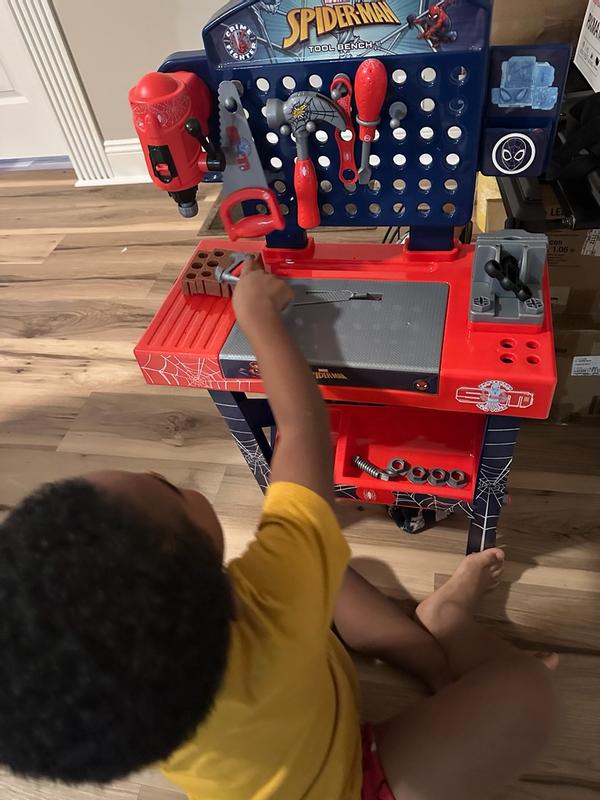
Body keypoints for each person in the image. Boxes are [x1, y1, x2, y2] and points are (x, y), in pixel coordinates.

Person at [0, 257, 557, 800]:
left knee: (328, 567)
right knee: (526, 692)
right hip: (352, 782)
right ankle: (449, 624)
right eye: (165, 487)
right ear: (201, 563)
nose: (152, 471)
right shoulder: (271, 603)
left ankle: (429, 661)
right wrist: (259, 317)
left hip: (299, 697)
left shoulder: (140, 709)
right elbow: (301, 426)